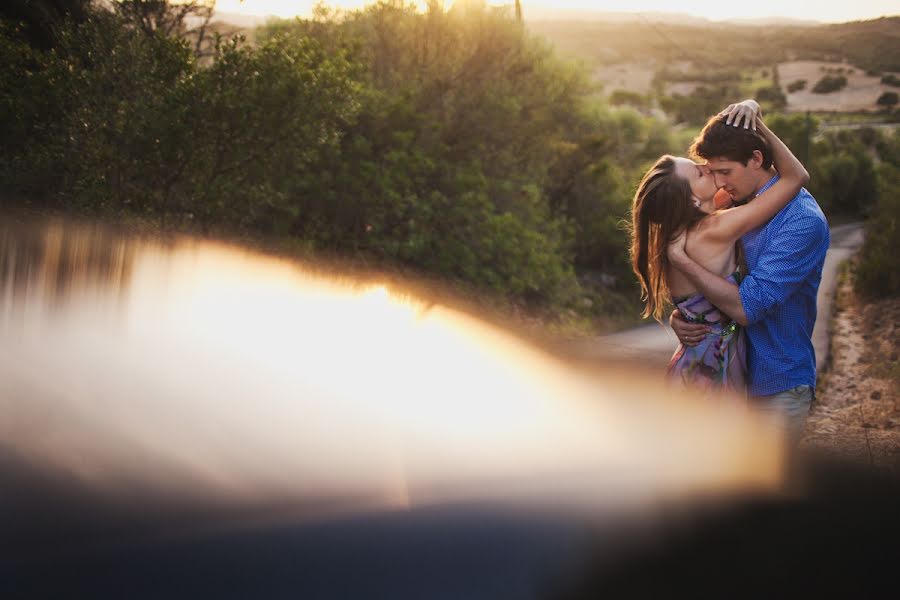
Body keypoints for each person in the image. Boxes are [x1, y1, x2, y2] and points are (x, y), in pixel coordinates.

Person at [667, 104, 829, 445]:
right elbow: (715, 281)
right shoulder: (735, 202)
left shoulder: (801, 222)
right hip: (730, 381)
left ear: (756, 158)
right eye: (712, 172)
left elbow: (744, 308)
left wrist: (683, 262)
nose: (718, 182)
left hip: (776, 387)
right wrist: (685, 315)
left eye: (724, 171)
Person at [630, 99, 809, 398]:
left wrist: (751, 104)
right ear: (691, 201)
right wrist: (759, 124)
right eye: (699, 173)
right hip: (710, 376)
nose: (707, 169)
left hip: (692, 369)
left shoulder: (680, 232)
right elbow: (796, 177)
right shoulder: (715, 229)